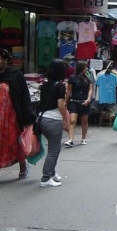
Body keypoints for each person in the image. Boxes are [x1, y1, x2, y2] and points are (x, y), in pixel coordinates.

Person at [0, 48, 36, 179]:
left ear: (5, 60)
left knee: (15, 143)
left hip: (11, 118)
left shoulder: (15, 75)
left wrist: (28, 116)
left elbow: (24, 97)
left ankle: (23, 166)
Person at [39, 59, 69, 187]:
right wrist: (65, 120)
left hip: (42, 119)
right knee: (53, 150)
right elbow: (61, 105)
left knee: (54, 148)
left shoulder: (45, 84)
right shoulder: (60, 86)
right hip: (53, 119)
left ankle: (52, 173)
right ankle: (46, 178)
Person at [64, 60, 93, 147]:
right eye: (85, 67)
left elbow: (90, 89)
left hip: (84, 102)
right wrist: (65, 101)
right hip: (74, 102)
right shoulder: (72, 78)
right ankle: (70, 139)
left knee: (84, 121)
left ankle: (83, 138)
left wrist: (88, 99)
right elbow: (69, 91)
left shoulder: (88, 79)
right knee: (72, 121)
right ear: (81, 68)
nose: (87, 68)